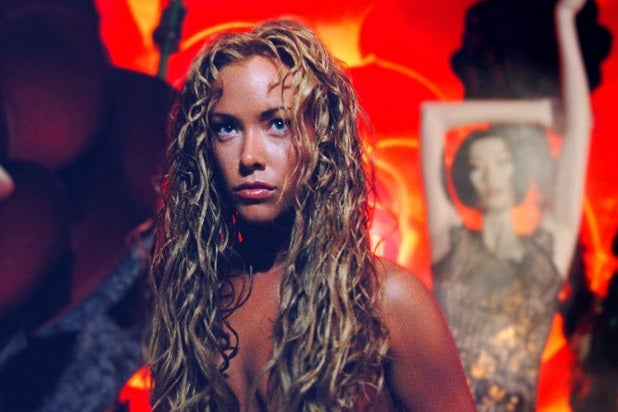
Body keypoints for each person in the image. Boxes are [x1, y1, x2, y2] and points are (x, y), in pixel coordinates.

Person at [148, 18, 474, 411]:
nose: (249, 157)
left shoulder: (385, 299)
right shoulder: (193, 301)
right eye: (227, 129)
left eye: (278, 124)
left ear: (320, 136)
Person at [420, 0, 591, 410]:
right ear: (468, 181)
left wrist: (565, 18)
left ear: (516, 171)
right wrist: (534, 113)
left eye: (500, 162)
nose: (491, 175)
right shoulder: (453, 244)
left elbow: (580, 128)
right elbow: (432, 117)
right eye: (478, 167)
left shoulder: (546, 254)